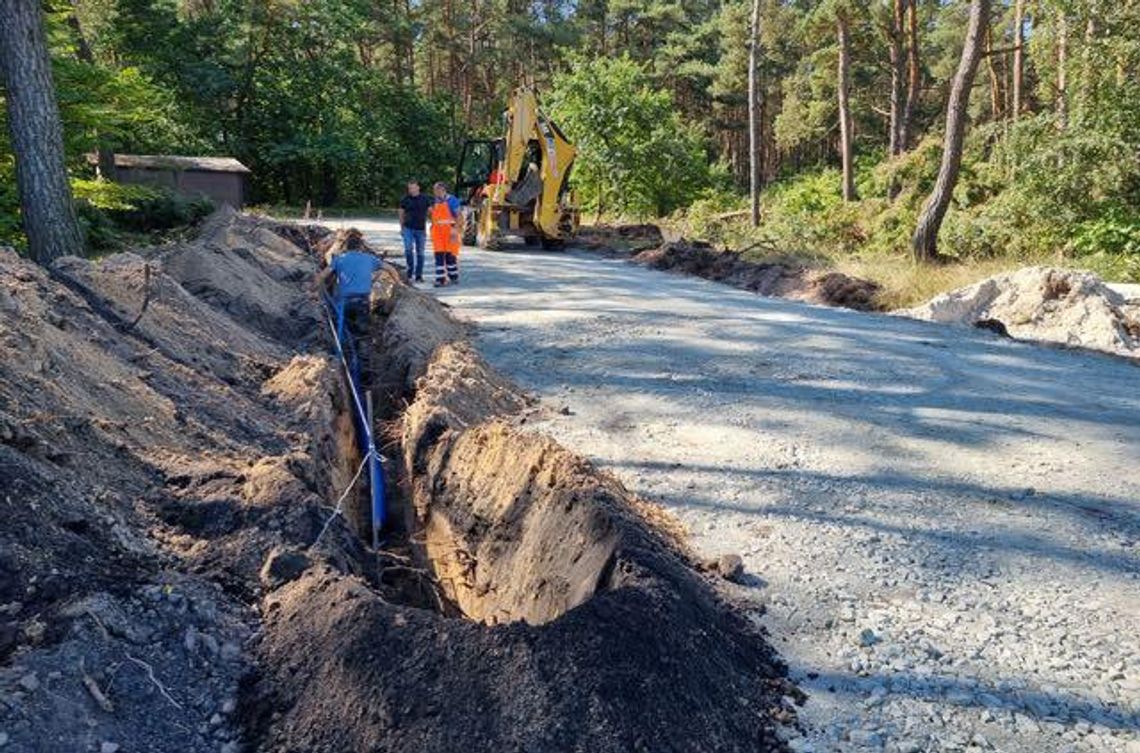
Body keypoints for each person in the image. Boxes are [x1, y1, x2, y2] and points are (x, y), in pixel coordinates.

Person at [318, 233, 383, 342]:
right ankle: (363, 341)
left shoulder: (339, 259)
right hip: (363, 300)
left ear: (345, 247)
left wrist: (312, 290)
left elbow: (322, 276)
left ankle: (342, 338)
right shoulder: (370, 258)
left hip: (344, 300)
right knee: (362, 328)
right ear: (361, 247)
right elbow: (389, 268)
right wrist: (398, 282)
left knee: (336, 316)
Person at [430, 181, 463, 287]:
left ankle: (453, 277)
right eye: (435, 190)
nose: (435, 192)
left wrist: (456, 230)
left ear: (443, 190)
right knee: (438, 256)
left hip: (450, 232)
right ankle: (440, 279)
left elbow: (459, 216)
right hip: (438, 233)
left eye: (437, 190)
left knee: (450, 256)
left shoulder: (452, 201)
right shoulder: (435, 201)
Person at [398, 180, 431, 284]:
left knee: (420, 252)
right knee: (408, 249)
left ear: (418, 188)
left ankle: (419, 275)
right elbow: (401, 213)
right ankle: (409, 271)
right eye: (409, 188)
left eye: (413, 188)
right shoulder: (405, 199)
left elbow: (431, 212)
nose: (411, 190)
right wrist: (402, 227)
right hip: (408, 228)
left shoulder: (425, 199)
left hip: (421, 229)